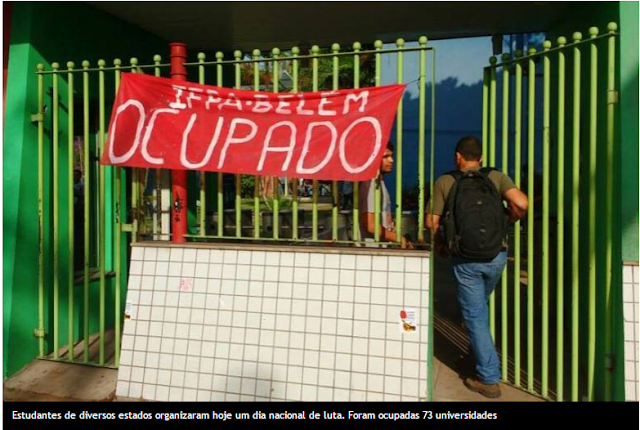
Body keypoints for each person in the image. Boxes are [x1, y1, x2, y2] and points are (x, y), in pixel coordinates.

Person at [427, 136, 528, 398]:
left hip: (466, 259)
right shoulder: (495, 176)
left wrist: (440, 244)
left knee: (475, 316)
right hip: (496, 256)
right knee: (478, 310)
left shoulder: (445, 181)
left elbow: (432, 222)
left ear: (457, 156)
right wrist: (508, 221)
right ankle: (478, 355)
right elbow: (522, 203)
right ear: (480, 158)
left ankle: (488, 378)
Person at [358, 143, 412, 249]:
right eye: (385, 157)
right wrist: (398, 238)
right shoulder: (371, 184)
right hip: (371, 249)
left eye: (391, 156)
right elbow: (370, 225)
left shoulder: (379, 183)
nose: (391, 160)